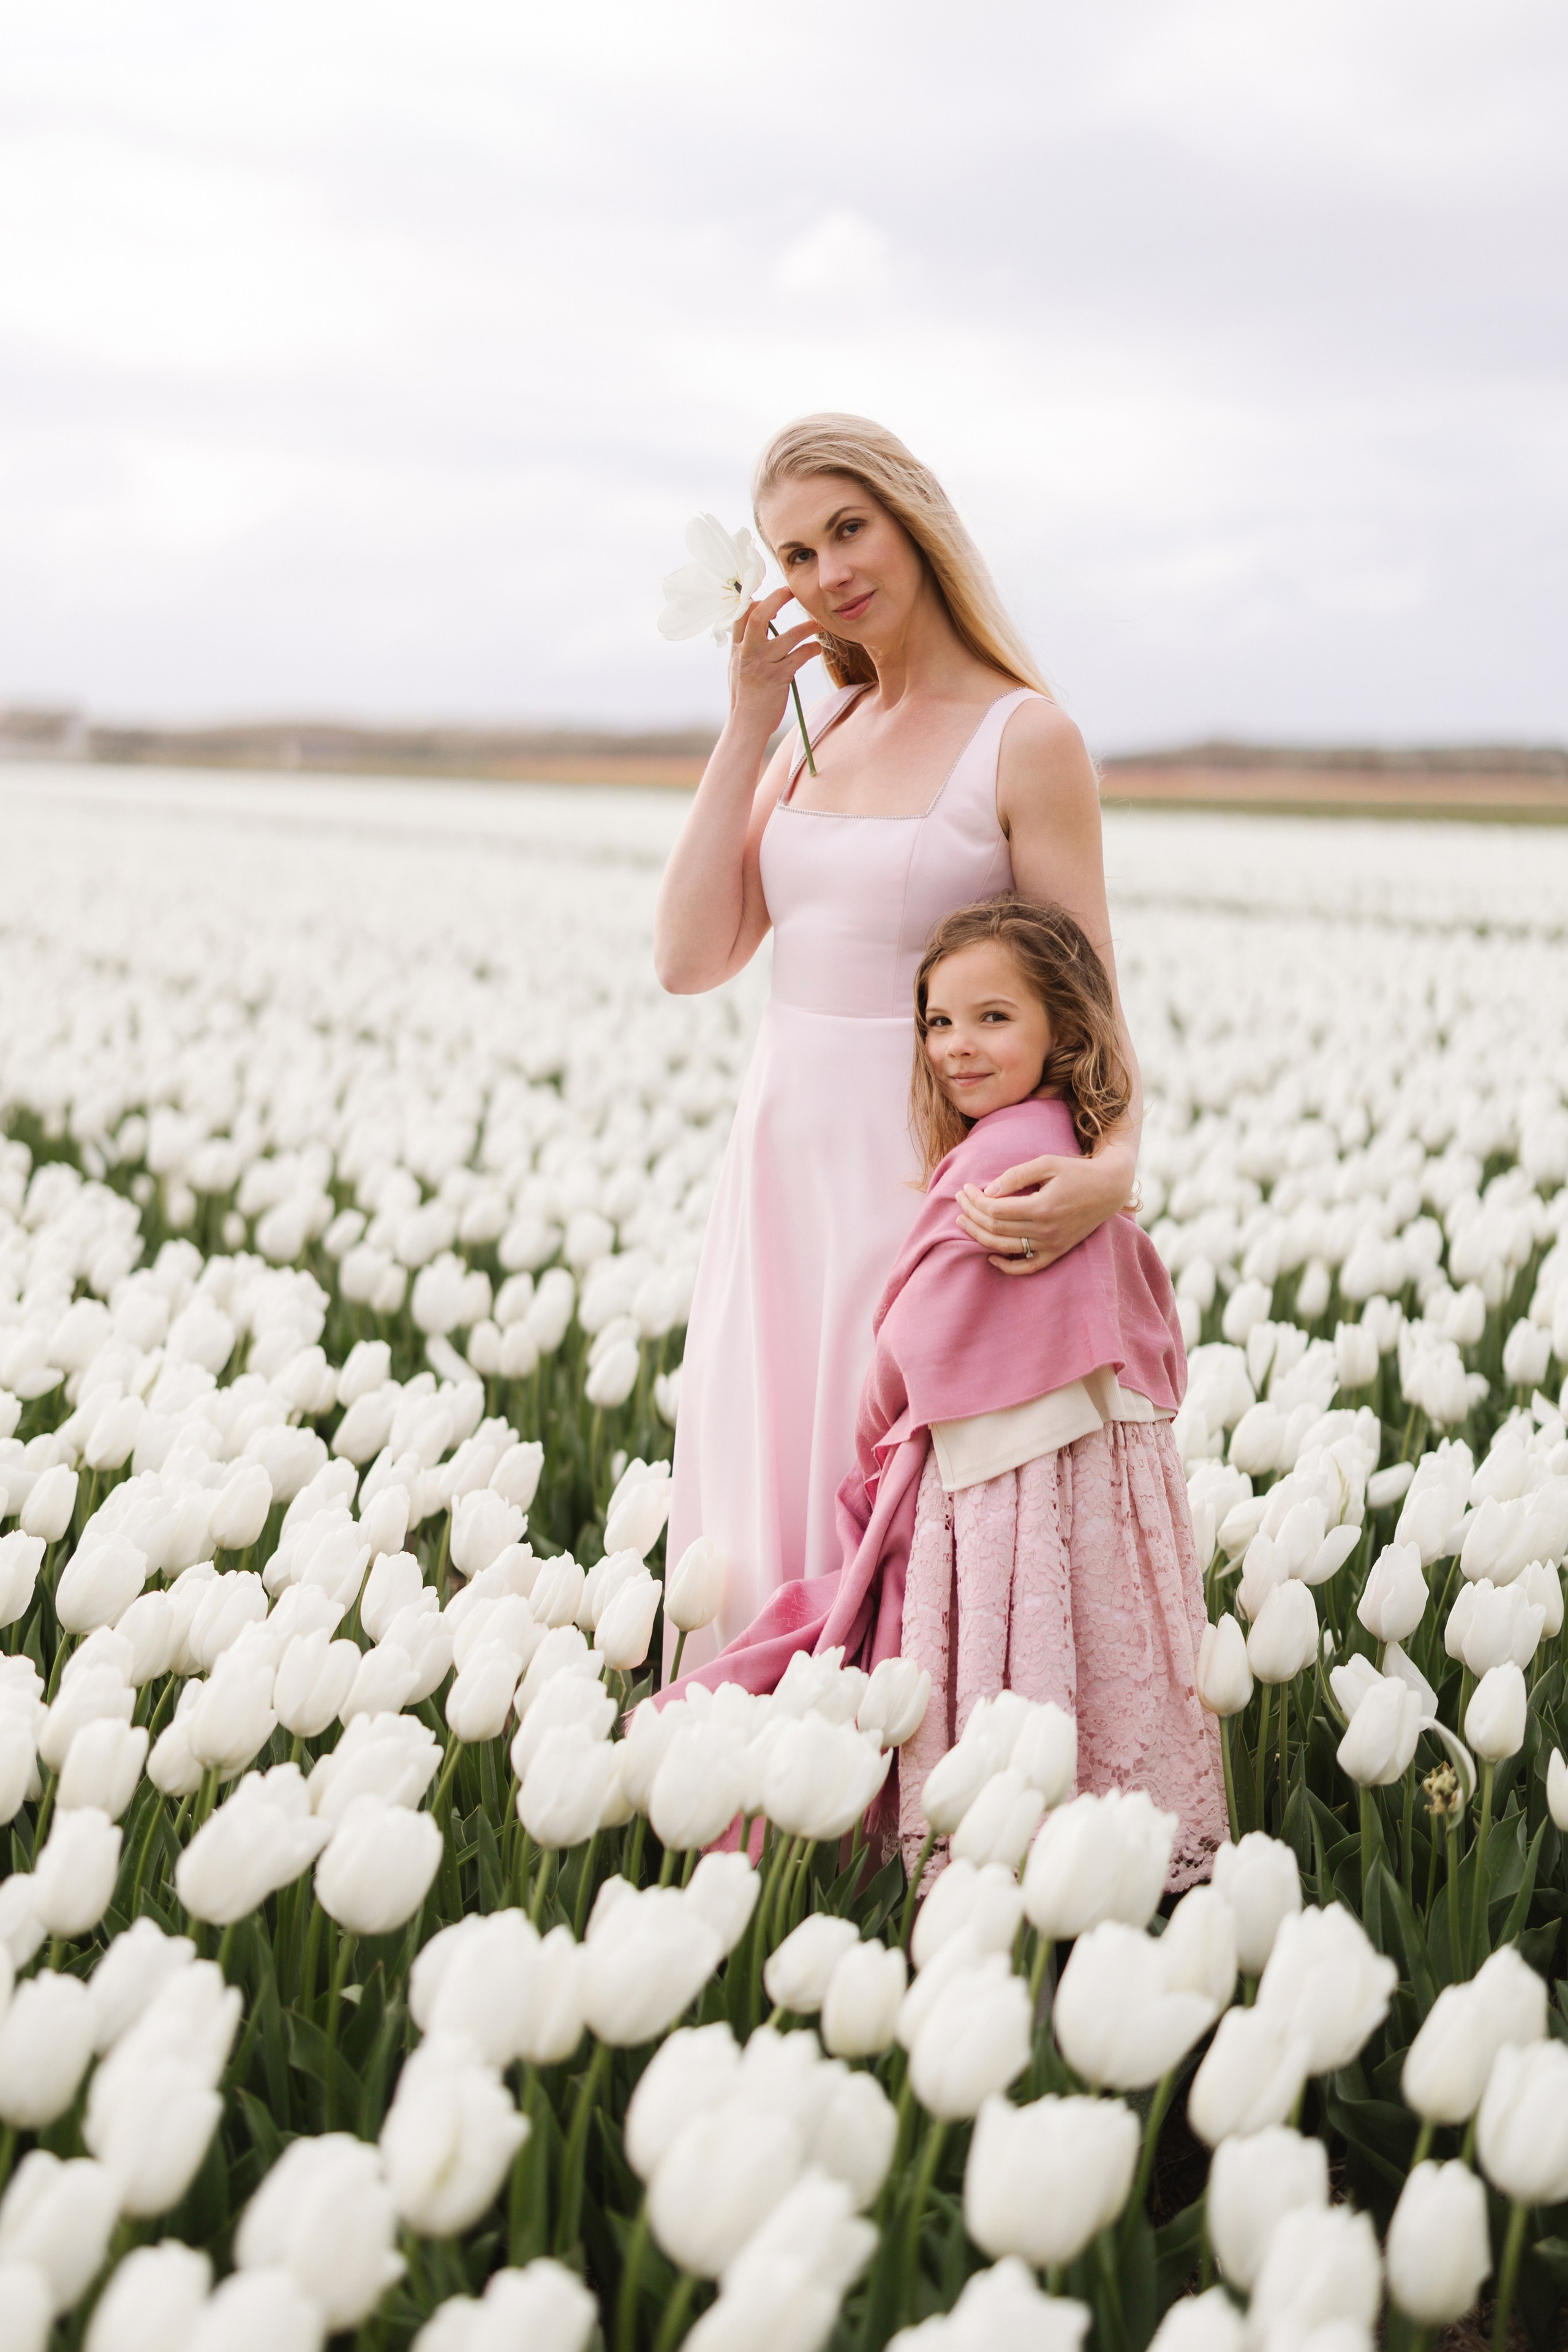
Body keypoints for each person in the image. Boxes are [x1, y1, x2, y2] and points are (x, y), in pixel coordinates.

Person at [655, 415, 1142, 1670]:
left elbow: (1083, 995)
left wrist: (1114, 1165)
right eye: (793, 553)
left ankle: (885, 1819)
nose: (826, 574)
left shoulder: (1023, 736)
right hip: (778, 1169)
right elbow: (689, 958)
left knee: (886, 1477)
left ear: (911, 519)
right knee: (762, 1459)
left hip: (922, 1170)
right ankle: (746, 1806)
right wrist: (745, 725)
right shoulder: (816, 737)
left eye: (845, 530)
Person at [671, 897, 1227, 1889]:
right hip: (1087, 1467)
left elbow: (922, 1332)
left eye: (992, 1019)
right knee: (1092, 1672)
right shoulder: (1062, 1147)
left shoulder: (1005, 1164)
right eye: (936, 1022)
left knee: (1005, 1660)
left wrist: (871, 1418)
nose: (957, 1047)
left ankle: (980, 1862)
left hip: (1002, 1472)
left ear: (1063, 1024)